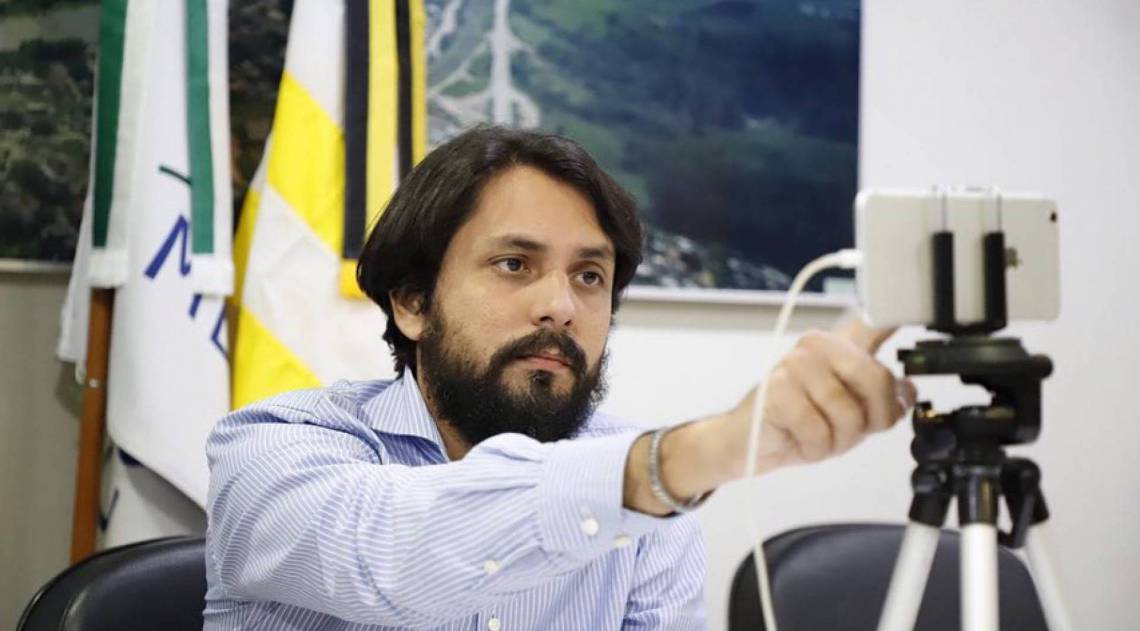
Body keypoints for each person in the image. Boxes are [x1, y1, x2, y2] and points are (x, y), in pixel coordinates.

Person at [203, 125, 915, 630]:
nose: (561, 305)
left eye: (589, 275)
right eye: (514, 264)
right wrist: (692, 456)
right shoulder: (271, 448)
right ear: (413, 302)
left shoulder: (648, 503)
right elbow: (385, 553)